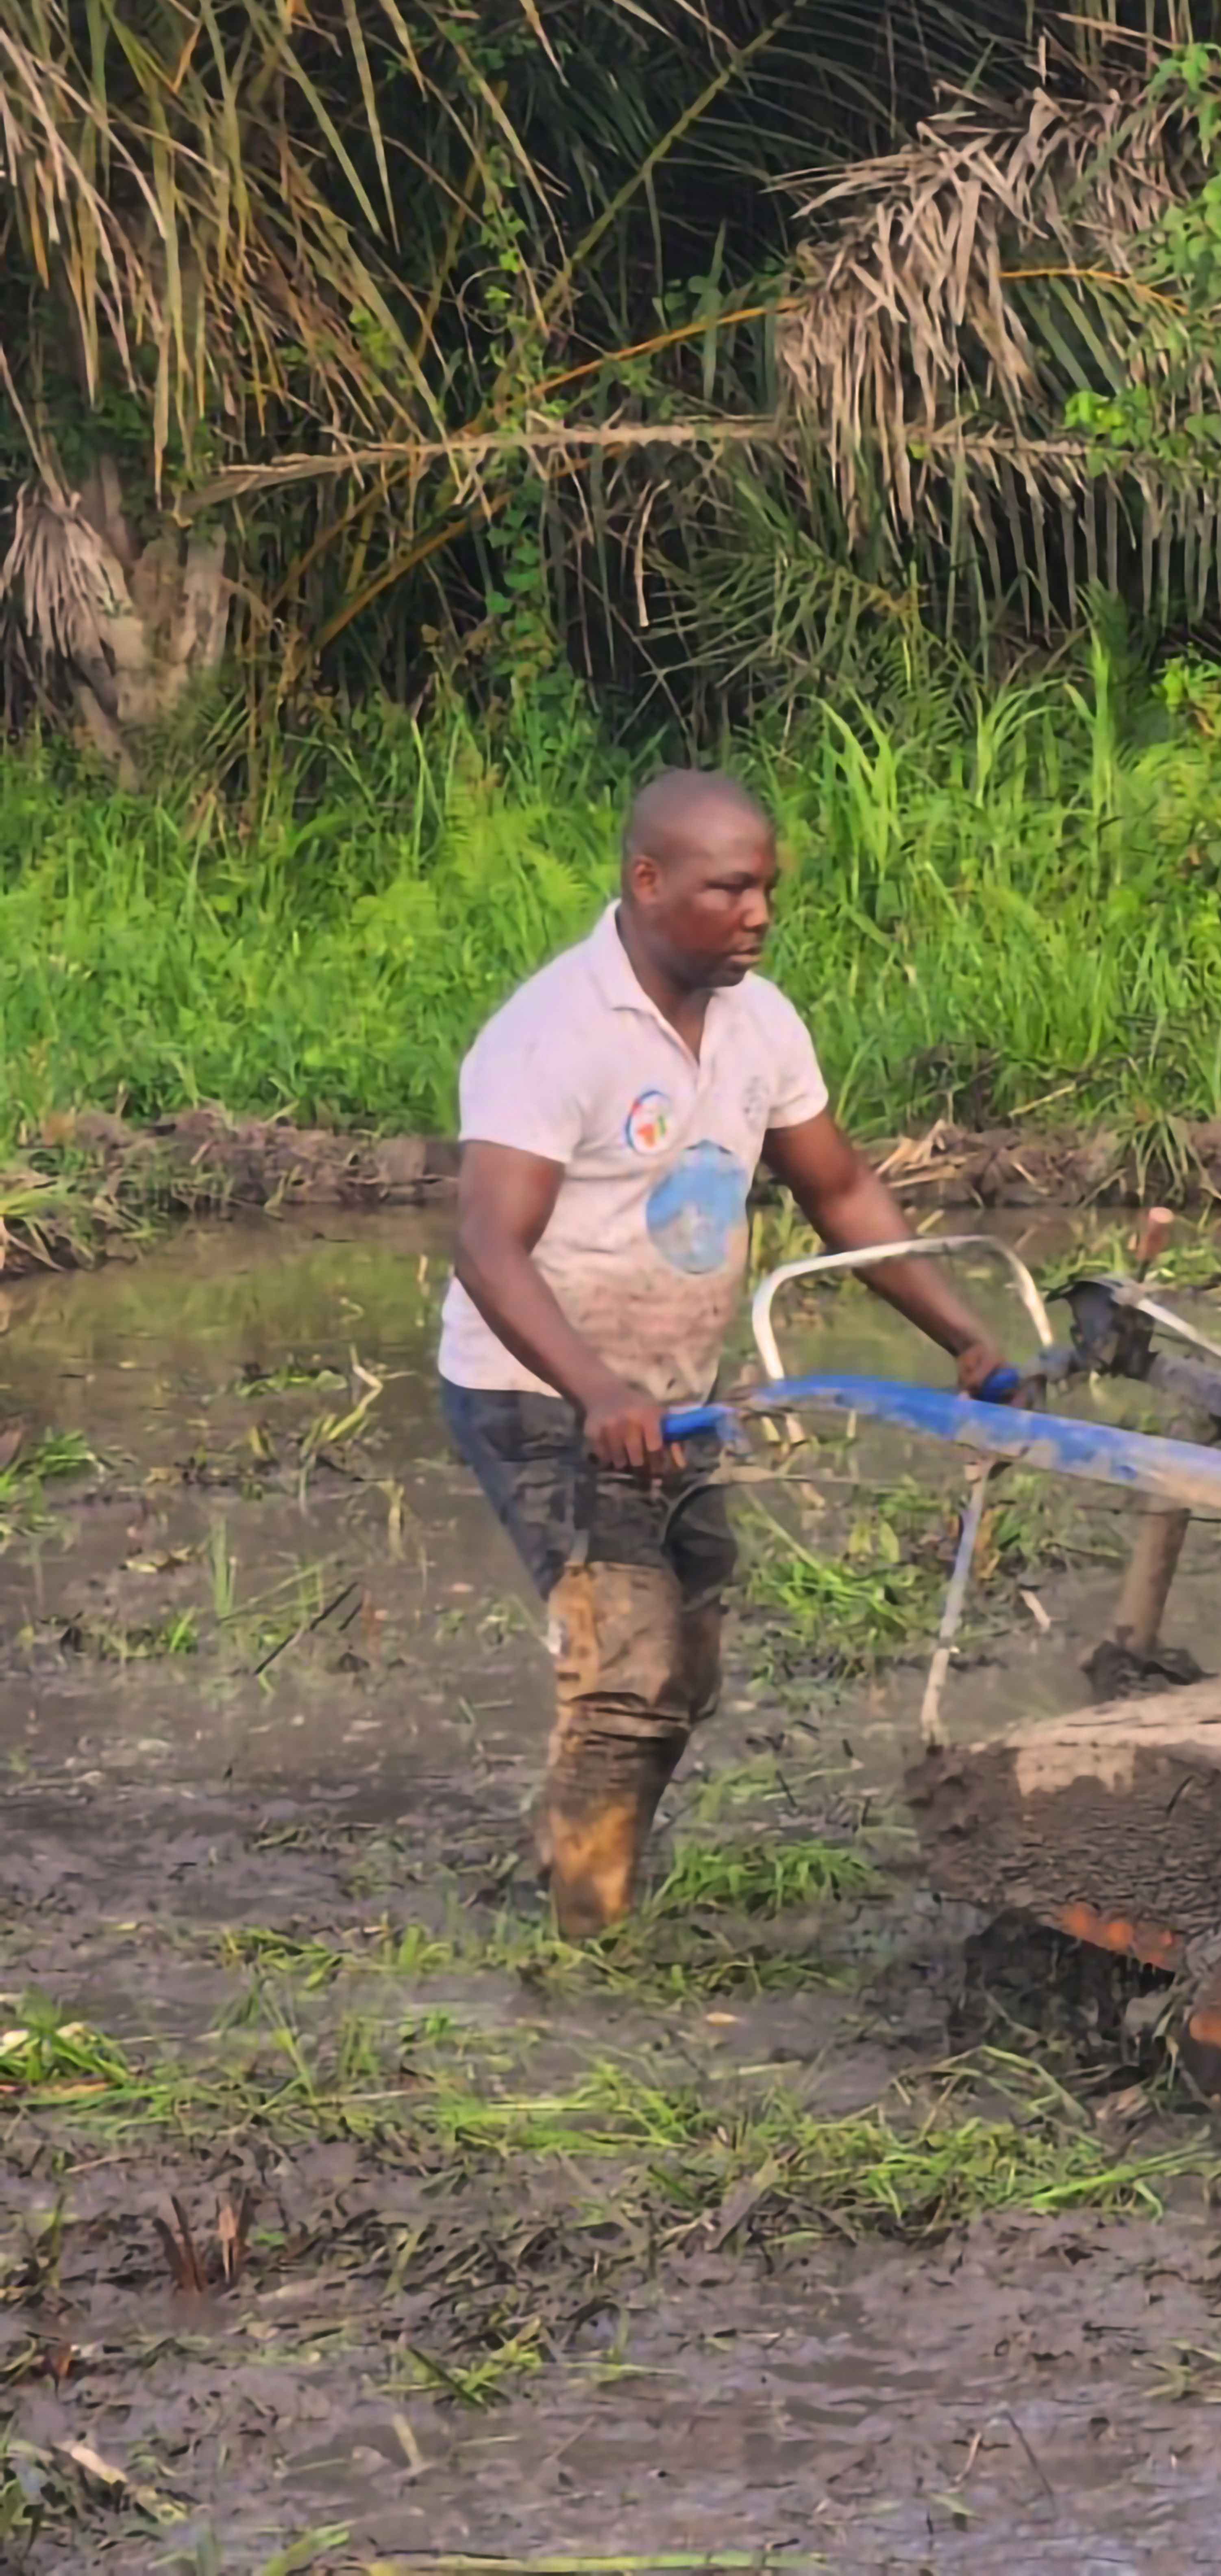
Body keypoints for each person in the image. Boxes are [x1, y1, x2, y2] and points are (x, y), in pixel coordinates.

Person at [435, 768, 1013, 1941]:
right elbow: (489, 1247)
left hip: (671, 1400)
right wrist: (593, 1389)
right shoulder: (552, 1035)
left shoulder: (762, 1021)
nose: (757, 914)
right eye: (729, 889)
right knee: (631, 1676)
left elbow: (840, 1191)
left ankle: (563, 1853)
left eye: (766, 890)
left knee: (686, 1670)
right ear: (647, 883)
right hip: (537, 1393)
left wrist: (963, 1335)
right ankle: (586, 1940)